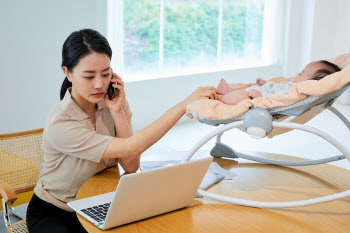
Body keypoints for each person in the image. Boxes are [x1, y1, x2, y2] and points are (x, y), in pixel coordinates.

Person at [25, 29, 221, 233]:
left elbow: (130, 165)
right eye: (89, 76)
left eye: (106, 73)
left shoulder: (112, 102)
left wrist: (117, 112)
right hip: (56, 212)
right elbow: (130, 147)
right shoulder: (61, 123)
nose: (99, 84)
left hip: (97, 201)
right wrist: (182, 106)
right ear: (68, 72)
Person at [217, 60, 341, 105]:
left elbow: (279, 100)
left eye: (301, 74)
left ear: (309, 84)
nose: (297, 74)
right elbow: (277, 88)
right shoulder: (291, 85)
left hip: (258, 97)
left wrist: (259, 97)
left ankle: (221, 98)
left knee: (241, 97)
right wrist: (265, 84)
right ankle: (230, 91)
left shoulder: (296, 92)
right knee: (250, 85)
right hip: (261, 90)